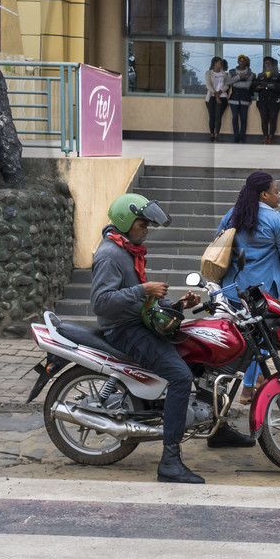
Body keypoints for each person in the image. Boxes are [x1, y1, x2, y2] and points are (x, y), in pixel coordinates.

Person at [89, 192, 208, 484]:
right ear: (126, 221)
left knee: (197, 357)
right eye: (143, 223)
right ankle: (169, 461)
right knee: (181, 378)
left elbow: (141, 304)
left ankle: (218, 428)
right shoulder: (109, 255)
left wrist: (180, 305)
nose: (147, 229)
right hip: (124, 331)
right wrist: (145, 290)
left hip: (138, 322)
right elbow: (101, 302)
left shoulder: (127, 250)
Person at [217, 171, 280, 403]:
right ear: (264, 194)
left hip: (232, 290)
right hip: (261, 294)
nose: (279, 196)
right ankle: (247, 389)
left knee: (236, 339)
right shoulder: (276, 220)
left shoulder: (232, 215)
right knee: (260, 339)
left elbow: (217, 248)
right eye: (276, 192)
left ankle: (233, 384)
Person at [253, 56, 280, 145]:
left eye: (269, 63)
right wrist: (257, 88)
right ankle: (265, 136)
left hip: (274, 101)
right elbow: (253, 87)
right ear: (264, 64)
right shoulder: (260, 76)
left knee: (273, 119)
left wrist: (275, 87)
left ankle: (271, 136)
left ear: (273, 65)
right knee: (264, 119)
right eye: (266, 63)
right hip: (262, 101)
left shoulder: (279, 76)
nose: (268, 65)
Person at [227, 54, 255, 144]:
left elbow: (247, 85)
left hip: (245, 98)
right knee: (234, 117)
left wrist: (235, 83)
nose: (242, 62)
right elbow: (228, 82)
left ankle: (242, 137)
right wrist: (239, 77)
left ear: (246, 62)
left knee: (244, 118)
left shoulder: (251, 73)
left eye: (244, 61)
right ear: (238, 61)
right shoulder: (231, 72)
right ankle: (236, 136)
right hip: (234, 98)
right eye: (240, 60)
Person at [205, 56, 230, 142]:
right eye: (220, 63)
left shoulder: (224, 74)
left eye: (222, 63)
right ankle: (211, 134)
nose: (221, 65)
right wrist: (216, 95)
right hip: (211, 98)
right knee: (212, 116)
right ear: (215, 63)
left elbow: (227, 85)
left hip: (222, 98)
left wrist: (220, 93)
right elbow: (208, 85)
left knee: (218, 116)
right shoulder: (208, 73)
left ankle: (217, 134)